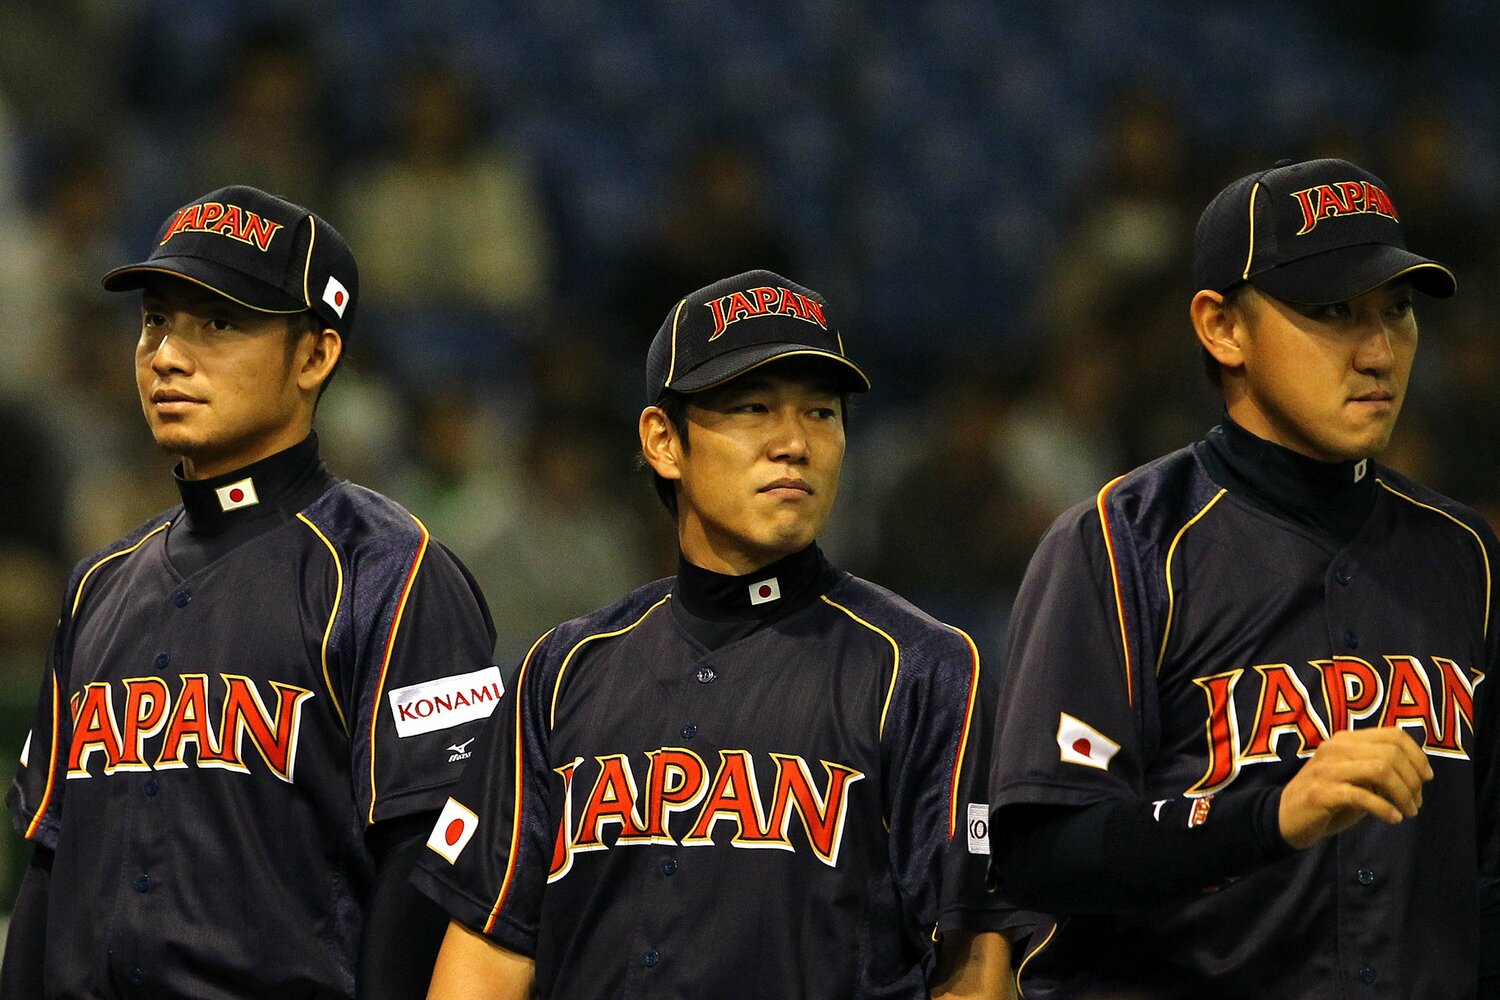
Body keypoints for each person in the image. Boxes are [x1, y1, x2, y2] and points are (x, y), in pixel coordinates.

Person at [412, 270, 1016, 999]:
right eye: (754, 407)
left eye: (822, 414)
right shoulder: (564, 670)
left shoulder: (922, 667)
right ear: (664, 442)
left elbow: (971, 962)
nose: (794, 442)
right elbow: (488, 954)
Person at [989, 157, 1498, 998]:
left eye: (1397, 311)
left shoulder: (1466, 556)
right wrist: (1268, 818)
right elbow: (1047, 854)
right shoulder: (1122, 544)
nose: (1378, 350)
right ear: (1222, 326)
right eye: (1334, 311)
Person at [2, 185, 503, 999]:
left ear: (315, 355)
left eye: (219, 324)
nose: (167, 354)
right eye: (156, 321)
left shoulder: (393, 571)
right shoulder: (99, 584)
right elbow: (48, 864)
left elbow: (435, 866)